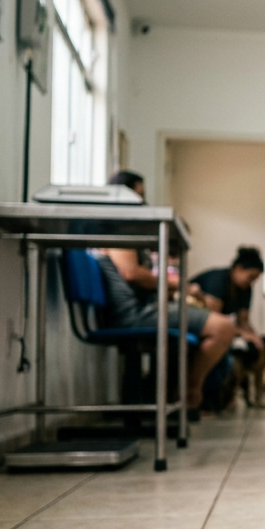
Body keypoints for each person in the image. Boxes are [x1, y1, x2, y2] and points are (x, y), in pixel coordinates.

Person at [97, 170, 238, 410]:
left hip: (142, 308)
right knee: (223, 328)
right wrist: (181, 286)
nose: (142, 202)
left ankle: (177, 394)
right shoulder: (117, 230)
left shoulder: (120, 230)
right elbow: (131, 274)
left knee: (196, 335)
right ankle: (190, 391)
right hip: (134, 313)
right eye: (138, 194)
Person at [189, 246, 265, 350]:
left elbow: (243, 321)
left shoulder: (245, 289)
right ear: (238, 268)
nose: (251, 282)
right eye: (250, 277)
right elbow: (213, 318)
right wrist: (242, 333)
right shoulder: (218, 280)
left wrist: (255, 338)